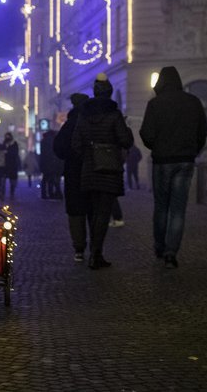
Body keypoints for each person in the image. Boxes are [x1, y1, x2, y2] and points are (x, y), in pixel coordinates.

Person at [139, 66, 207, 269]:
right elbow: (202, 132)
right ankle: (171, 253)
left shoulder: (155, 104)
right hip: (185, 160)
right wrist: (192, 150)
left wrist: (157, 146)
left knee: (161, 206)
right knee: (178, 209)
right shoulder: (193, 102)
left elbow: (146, 133)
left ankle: (159, 246)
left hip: (162, 161)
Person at [71, 74, 134, 269]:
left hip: (89, 170)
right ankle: (96, 254)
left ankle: (94, 252)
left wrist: (89, 155)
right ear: (109, 92)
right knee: (103, 213)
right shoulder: (114, 114)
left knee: (93, 212)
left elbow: (76, 144)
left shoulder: (84, 115)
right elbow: (126, 140)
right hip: (109, 170)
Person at [53, 92, 91, 262]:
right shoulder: (92, 121)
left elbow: (58, 147)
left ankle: (79, 247)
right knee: (94, 209)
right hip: (93, 171)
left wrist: (70, 155)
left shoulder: (69, 124)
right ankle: (96, 248)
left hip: (73, 172)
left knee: (76, 210)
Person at [39, 124, 64, 200]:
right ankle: (51, 193)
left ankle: (45, 194)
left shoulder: (44, 140)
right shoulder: (52, 140)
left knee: (46, 179)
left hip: (45, 163)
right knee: (51, 179)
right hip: (52, 163)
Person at [3, 132, 20, 197]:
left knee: (12, 179)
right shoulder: (5, 143)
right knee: (7, 179)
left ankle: (11, 191)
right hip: (7, 164)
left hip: (11, 164)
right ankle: (5, 192)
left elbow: (15, 153)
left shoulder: (13, 144)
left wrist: (7, 152)